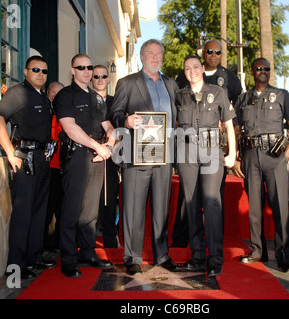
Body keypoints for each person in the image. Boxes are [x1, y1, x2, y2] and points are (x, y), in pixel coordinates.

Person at [109, 39, 180, 275]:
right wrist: (125, 121)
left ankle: (162, 255)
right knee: (133, 207)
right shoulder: (127, 83)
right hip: (136, 155)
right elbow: (115, 113)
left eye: (159, 53)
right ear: (142, 56)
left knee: (161, 207)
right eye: (151, 53)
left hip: (163, 155)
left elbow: (177, 117)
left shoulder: (171, 84)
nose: (156, 57)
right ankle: (132, 257)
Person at [0, 56, 56, 279]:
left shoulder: (44, 98)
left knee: (39, 213)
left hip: (42, 159)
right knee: (23, 214)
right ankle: (16, 266)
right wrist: (10, 152)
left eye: (44, 71)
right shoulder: (18, 93)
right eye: (36, 69)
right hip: (23, 158)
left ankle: (33, 258)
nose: (40, 74)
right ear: (26, 72)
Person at [172, 39, 242, 248]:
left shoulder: (218, 92)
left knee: (212, 202)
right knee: (191, 204)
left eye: (195, 67)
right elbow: (175, 126)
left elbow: (229, 124)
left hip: (212, 152)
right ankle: (197, 253)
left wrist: (231, 154)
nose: (191, 71)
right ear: (184, 73)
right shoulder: (179, 96)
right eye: (187, 69)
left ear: (202, 68)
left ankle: (215, 255)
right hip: (187, 154)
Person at [234, 58, 289, 272]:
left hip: (275, 156)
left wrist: (286, 155)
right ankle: (257, 251)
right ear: (252, 72)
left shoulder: (282, 95)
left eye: (267, 69)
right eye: (259, 68)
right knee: (254, 207)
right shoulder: (243, 98)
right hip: (250, 155)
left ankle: (284, 256)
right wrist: (235, 156)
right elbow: (234, 129)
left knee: (280, 206)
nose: (263, 71)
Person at [53, 54, 116, 278]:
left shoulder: (97, 98)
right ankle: (69, 258)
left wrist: (109, 142)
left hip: (97, 158)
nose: (87, 71)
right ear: (72, 70)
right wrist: (96, 146)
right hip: (77, 157)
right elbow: (69, 128)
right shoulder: (65, 96)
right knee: (71, 211)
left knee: (90, 211)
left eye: (89, 67)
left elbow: (107, 125)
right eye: (81, 67)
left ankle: (87, 252)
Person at [92, 65, 120, 248]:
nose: (100, 79)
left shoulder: (115, 102)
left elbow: (120, 129)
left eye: (104, 76)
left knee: (109, 200)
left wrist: (110, 148)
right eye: (96, 76)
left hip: (110, 158)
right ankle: (87, 243)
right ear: (91, 79)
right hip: (89, 155)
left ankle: (110, 241)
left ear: (108, 79)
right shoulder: (85, 100)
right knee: (89, 203)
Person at [44, 81, 64, 252]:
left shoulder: (65, 114)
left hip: (62, 168)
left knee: (61, 209)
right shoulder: (43, 113)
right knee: (46, 209)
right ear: (48, 92)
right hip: (47, 167)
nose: (56, 96)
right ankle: (45, 245)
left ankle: (57, 244)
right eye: (53, 92)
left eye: (60, 93)